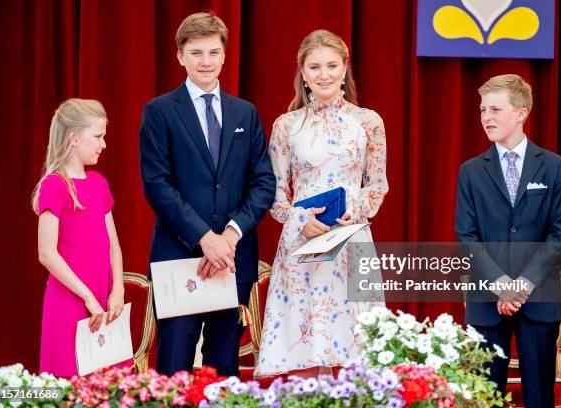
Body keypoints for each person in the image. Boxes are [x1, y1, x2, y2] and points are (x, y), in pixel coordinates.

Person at [139, 12, 275, 376]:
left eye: (213, 52)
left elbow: (264, 183)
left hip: (234, 260)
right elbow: (157, 184)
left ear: (224, 56)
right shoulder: (159, 112)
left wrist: (228, 236)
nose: (206, 61)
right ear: (180, 56)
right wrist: (205, 238)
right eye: (196, 53)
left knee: (224, 370)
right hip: (179, 258)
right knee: (174, 371)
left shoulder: (245, 111)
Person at [254, 29, 389, 378]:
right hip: (303, 244)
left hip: (351, 240)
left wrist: (353, 211)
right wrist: (299, 220)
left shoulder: (368, 122)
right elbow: (275, 193)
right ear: (302, 72)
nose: (324, 74)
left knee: (355, 354)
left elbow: (377, 186)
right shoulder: (287, 125)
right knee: (304, 347)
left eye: (331, 65)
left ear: (345, 69)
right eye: (315, 67)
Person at [455, 74, 561, 407]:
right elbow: (467, 235)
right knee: (485, 398)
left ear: (521, 113)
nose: (486, 117)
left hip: (539, 299)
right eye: (482, 109)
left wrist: (521, 285)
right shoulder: (471, 171)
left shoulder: (553, 167)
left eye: (495, 109)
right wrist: (501, 284)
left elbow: (559, 233)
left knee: (539, 398)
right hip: (486, 303)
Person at [32, 99, 125, 377]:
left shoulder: (98, 183)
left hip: (103, 298)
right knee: (70, 380)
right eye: (97, 136)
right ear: (74, 138)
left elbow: (113, 245)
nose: (103, 144)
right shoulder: (55, 185)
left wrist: (117, 287)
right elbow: (47, 254)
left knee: (108, 383)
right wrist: (87, 297)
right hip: (70, 300)